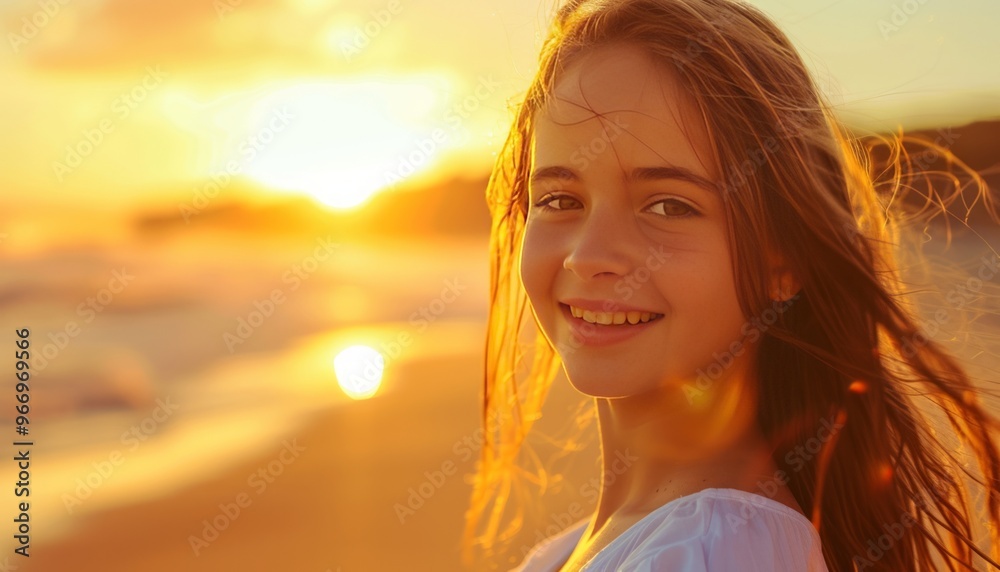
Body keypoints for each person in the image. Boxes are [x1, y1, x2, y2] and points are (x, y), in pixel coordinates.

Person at [462, 0, 1000, 570]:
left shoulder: (713, 550)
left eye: (669, 205)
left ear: (784, 260)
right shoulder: (584, 548)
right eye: (560, 200)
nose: (589, 256)